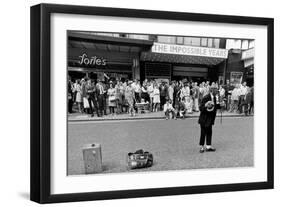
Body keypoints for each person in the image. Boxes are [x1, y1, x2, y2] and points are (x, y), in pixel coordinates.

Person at [198, 86, 222, 153]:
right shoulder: (206, 97)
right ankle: (202, 147)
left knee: (209, 132)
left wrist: (220, 106)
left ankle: (208, 146)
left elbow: (214, 106)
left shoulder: (214, 97)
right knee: (203, 133)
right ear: (212, 90)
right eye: (216, 90)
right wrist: (206, 106)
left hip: (210, 118)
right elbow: (200, 108)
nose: (217, 92)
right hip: (204, 119)